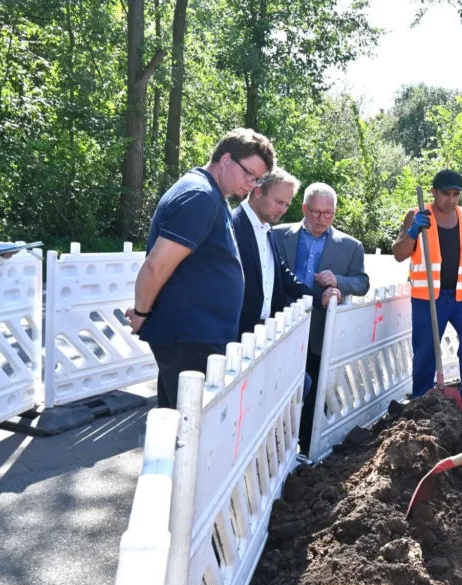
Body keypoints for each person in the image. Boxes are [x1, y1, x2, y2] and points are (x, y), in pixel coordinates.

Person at [127, 128, 275, 409]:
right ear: (226, 159)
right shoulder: (200, 196)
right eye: (249, 174)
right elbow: (156, 266)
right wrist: (142, 312)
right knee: (189, 429)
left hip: (197, 338)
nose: (252, 185)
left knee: (181, 426)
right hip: (191, 340)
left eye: (258, 179)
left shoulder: (211, 194)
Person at [273, 183, 370, 454]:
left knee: (314, 392)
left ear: (335, 213)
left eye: (328, 214)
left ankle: (305, 449)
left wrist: (338, 280)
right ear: (304, 208)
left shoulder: (351, 246)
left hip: (320, 331)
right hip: (280, 326)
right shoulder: (278, 235)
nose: (321, 219)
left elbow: (362, 282)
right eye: (315, 212)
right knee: (277, 392)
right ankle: (277, 449)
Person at [392, 169, 462, 410]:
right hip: (428, 298)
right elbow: (399, 254)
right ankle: (422, 400)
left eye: (456, 194)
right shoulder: (417, 215)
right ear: (433, 192)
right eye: (446, 194)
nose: (451, 200)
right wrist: (412, 232)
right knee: (425, 350)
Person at [233, 167, 331, 337]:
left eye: (287, 204)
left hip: (265, 333)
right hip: (234, 337)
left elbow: (283, 276)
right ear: (257, 192)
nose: (283, 210)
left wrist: (318, 298)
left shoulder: (268, 229)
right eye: (279, 202)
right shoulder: (232, 225)